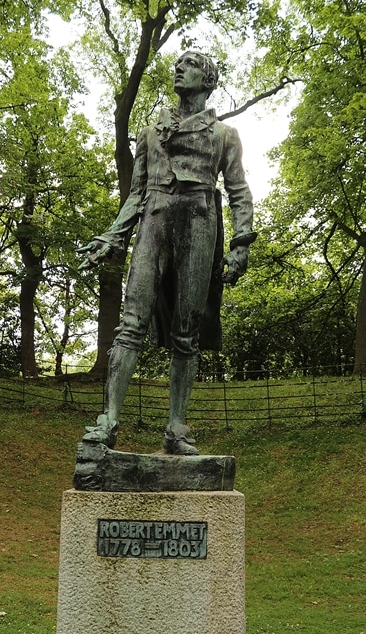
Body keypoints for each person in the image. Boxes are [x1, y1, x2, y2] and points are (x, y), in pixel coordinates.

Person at [78, 50, 256, 455]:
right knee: (130, 323)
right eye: (179, 63)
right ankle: (108, 421)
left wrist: (240, 245)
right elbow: (136, 194)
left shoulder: (225, 135)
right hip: (154, 223)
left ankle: (177, 428)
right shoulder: (149, 132)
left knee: (186, 333)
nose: (178, 68)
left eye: (190, 64)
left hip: (199, 222)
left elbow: (238, 191)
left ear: (208, 80)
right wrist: (113, 236)